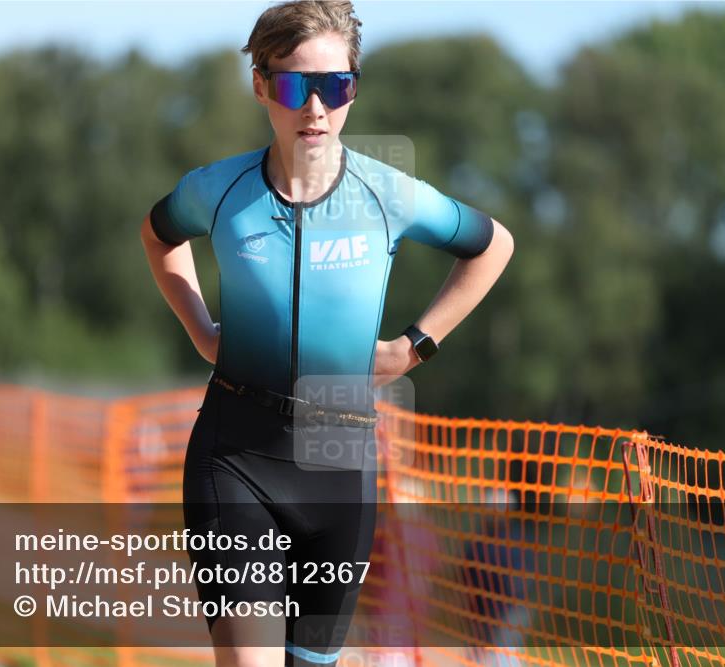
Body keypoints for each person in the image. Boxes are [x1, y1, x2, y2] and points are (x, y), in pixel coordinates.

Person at [139, 1, 515, 665]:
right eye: (293, 85)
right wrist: (200, 327)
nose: (315, 108)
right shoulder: (219, 190)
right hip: (236, 457)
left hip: (341, 465)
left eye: (335, 86)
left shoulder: (386, 195)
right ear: (260, 86)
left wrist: (411, 346)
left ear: (354, 89)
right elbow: (159, 235)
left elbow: (492, 245)